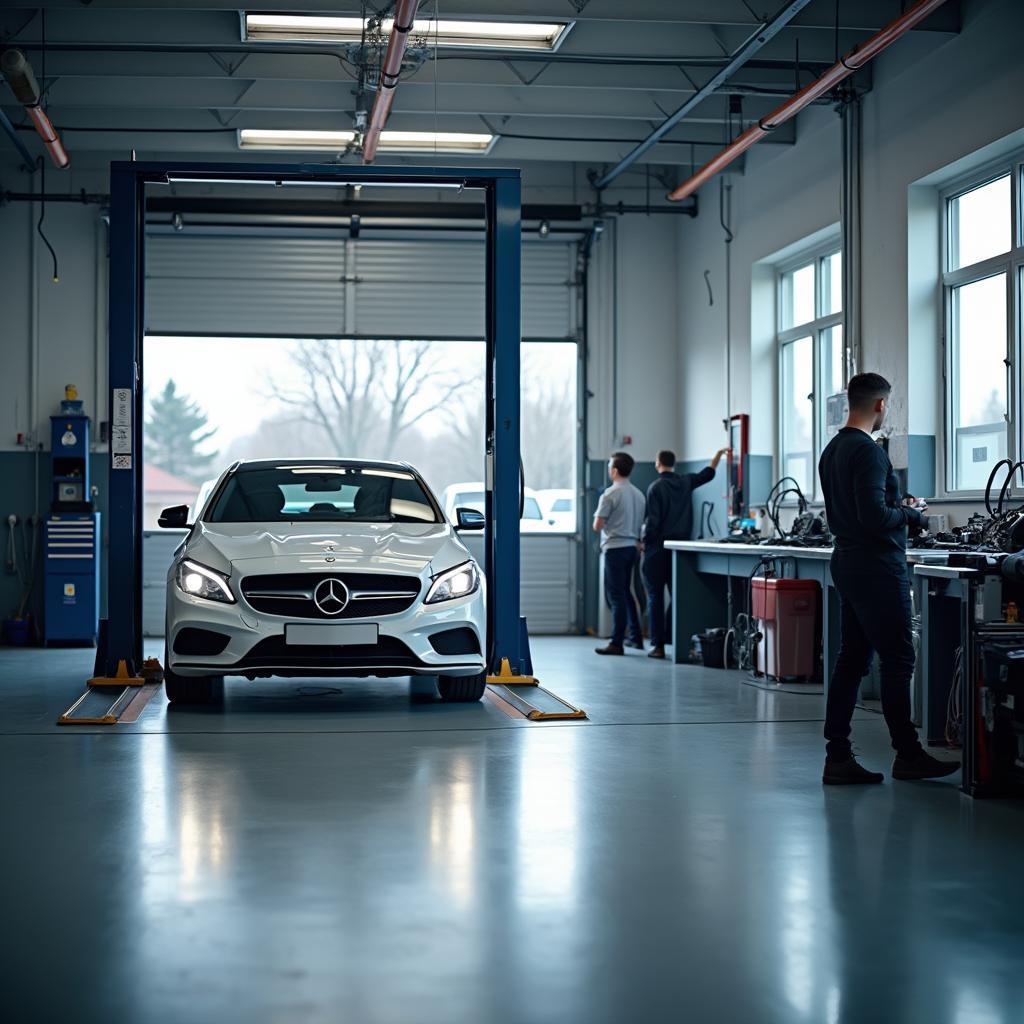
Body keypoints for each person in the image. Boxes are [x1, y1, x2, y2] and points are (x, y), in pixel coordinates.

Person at [818, 372, 959, 784]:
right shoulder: (869, 452)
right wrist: (913, 516)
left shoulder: (833, 450)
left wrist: (897, 506)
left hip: (847, 561)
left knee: (852, 659)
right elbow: (875, 517)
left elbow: (863, 509)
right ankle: (909, 756)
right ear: (881, 405)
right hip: (877, 568)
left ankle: (838, 756)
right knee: (898, 660)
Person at [641, 447, 730, 659]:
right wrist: (717, 455)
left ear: (657, 463)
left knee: (655, 596)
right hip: (679, 550)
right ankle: (675, 638)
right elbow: (708, 474)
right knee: (678, 596)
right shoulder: (685, 482)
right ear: (674, 463)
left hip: (657, 548)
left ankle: (658, 645)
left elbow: (651, 522)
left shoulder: (655, 488)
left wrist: (645, 543)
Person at [593, 452, 646, 656]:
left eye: (609, 466)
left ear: (614, 470)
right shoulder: (639, 494)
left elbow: (598, 525)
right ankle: (636, 637)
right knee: (627, 592)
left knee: (615, 596)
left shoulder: (610, 494)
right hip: (632, 548)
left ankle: (616, 642)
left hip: (614, 548)